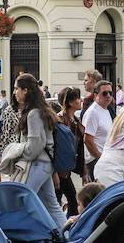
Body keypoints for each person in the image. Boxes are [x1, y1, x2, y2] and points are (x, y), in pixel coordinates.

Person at [13, 73, 60, 221]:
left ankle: (28, 236)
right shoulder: (41, 110)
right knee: (51, 205)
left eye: (16, 89)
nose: (14, 92)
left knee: (22, 200)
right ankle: (65, 237)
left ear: (25, 90)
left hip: (37, 164)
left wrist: (19, 154)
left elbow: (35, 145)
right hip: (45, 164)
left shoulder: (33, 113)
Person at [55, 86, 86, 217]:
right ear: (70, 102)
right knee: (71, 199)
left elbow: (80, 148)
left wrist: (83, 171)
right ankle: (67, 227)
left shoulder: (75, 121)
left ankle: (63, 227)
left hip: (66, 169)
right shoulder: (59, 120)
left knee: (60, 200)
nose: (81, 100)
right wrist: (54, 172)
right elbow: (54, 147)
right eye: (78, 98)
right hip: (59, 169)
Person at [81, 80, 114, 181]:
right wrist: (99, 158)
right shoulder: (93, 113)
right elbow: (88, 140)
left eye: (110, 93)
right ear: (96, 95)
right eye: (104, 93)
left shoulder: (105, 109)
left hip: (105, 159)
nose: (108, 96)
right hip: (96, 161)